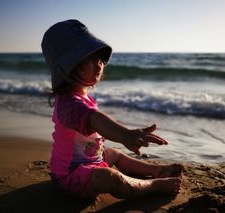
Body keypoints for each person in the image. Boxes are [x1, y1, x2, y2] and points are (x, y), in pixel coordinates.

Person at [41, 19, 182, 199]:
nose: (99, 63)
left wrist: (110, 134)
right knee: (110, 178)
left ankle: (154, 170)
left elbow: (95, 127)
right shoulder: (68, 104)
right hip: (70, 175)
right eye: (89, 58)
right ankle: (153, 186)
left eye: (100, 57)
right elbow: (94, 119)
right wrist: (125, 135)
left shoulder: (83, 98)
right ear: (68, 67)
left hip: (93, 160)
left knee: (114, 154)